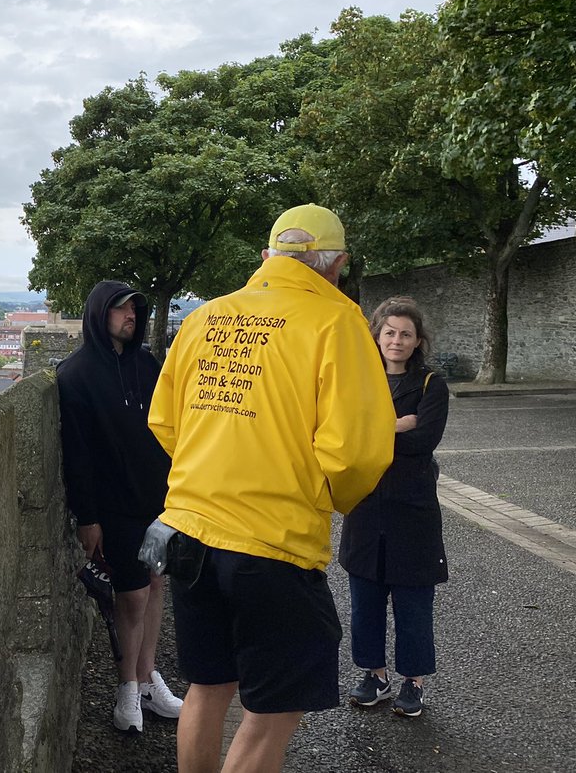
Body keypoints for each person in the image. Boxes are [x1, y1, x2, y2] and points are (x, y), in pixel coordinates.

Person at [147, 204, 395, 773]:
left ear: (266, 259)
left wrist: (210, 475)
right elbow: (357, 450)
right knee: (274, 713)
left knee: (207, 688)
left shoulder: (207, 317)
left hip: (187, 531)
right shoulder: (336, 322)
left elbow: (164, 421)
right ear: (336, 267)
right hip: (271, 543)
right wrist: (327, 494)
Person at [57, 280, 183, 734]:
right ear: (99, 313)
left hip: (159, 499)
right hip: (114, 505)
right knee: (130, 597)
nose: (131, 316)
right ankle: (126, 688)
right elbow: (78, 453)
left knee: (156, 583)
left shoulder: (147, 364)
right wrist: (87, 518)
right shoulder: (75, 374)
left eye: (135, 309)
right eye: (121, 309)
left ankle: (149, 680)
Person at [340, 296, 450, 718]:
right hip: (366, 507)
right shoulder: (358, 380)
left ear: (418, 340)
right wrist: (399, 423)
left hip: (413, 511)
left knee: (413, 605)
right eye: (390, 332)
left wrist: (375, 429)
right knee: (364, 601)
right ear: (377, 335)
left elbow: (424, 442)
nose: (397, 340)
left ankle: (413, 682)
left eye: (406, 334)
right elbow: (346, 435)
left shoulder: (431, 385)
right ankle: (375, 675)